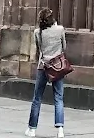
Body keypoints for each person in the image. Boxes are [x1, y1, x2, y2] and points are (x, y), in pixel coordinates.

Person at [25, 8, 67, 138]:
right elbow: (64, 47)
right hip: (58, 67)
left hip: (43, 66)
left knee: (37, 98)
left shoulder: (38, 32)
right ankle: (60, 129)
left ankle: (32, 129)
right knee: (58, 98)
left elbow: (39, 49)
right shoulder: (60, 29)